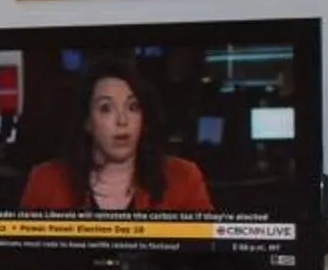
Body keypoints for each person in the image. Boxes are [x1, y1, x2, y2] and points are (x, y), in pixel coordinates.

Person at [19, 60, 213, 212]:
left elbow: (208, 258)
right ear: (87, 121)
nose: (122, 120)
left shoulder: (184, 179)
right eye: (106, 108)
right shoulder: (45, 181)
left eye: (132, 107)